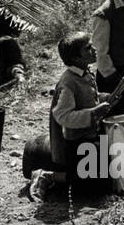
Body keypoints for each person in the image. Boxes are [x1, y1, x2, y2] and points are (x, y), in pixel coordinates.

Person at [48, 32, 113, 191]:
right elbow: (63, 116)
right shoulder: (68, 82)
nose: (94, 49)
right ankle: (47, 176)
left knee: (106, 180)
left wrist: (103, 98)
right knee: (85, 186)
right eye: (88, 48)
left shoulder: (85, 72)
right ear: (76, 58)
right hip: (78, 142)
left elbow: (86, 97)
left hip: (91, 136)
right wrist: (93, 113)